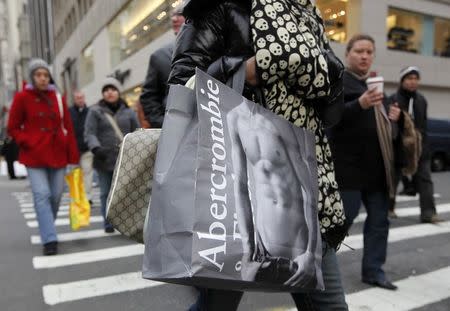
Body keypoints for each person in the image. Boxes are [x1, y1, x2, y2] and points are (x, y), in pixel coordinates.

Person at [169, 1, 348, 310]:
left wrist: (330, 78)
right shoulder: (221, 5)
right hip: (228, 194)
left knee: (331, 306)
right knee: (217, 306)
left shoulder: (308, 14)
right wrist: (242, 70)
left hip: (307, 189)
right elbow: (182, 88)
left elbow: (330, 115)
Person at [329, 34, 402, 290]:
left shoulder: (375, 85)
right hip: (347, 170)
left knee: (379, 224)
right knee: (340, 223)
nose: (364, 56)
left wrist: (393, 117)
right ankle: (319, 270)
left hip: (377, 170)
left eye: (369, 52)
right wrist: (359, 104)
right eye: (359, 51)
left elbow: (386, 129)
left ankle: (374, 271)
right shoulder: (338, 81)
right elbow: (330, 120)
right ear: (348, 53)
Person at [227, 99, 320, 287]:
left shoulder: (281, 117)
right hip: (263, 245)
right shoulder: (234, 117)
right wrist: (247, 250)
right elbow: (241, 187)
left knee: (325, 305)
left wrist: (311, 253)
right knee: (218, 303)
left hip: (298, 244)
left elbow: (309, 187)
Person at [7, 58, 79, 255]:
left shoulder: (57, 97)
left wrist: (74, 157)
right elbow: (12, 127)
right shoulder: (22, 97)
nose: (42, 78)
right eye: (38, 75)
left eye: (46, 75)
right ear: (32, 77)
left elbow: (68, 128)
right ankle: (49, 238)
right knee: (42, 194)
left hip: (58, 153)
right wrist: (27, 141)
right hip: (34, 155)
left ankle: (48, 226)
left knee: (56, 195)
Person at [84, 77, 139, 233]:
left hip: (126, 158)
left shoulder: (128, 111)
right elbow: (90, 133)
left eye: (113, 89)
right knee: (105, 192)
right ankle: (108, 221)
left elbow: (137, 131)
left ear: (118, 92)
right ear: (103, 94)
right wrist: (96, 148)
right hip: (103, 158)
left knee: (126, 192)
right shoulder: (95, 111)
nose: (110, 92)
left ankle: (125, 221)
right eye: (106, 90)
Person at [389, 67, 442, 223]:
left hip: (420, 148)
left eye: (415, 78)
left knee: (425, 179)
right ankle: (389, 207)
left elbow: (423, 126)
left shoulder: (421, 100)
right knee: (393, 179)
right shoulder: (394, 99)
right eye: (409, 78)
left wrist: (424, 146)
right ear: (402, 80)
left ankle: (428, 213)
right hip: (398, 147)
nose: (413, 81)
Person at [139, 6, 185, 128]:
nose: (174, 19)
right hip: (174, 130)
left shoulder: (216, 49)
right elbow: (148, 97)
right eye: (172, 16)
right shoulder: (159, 56)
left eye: (180, 14)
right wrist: (163, 124)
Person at [69, 90, 94, 203]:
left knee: (87, 173)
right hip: (73, 149)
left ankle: (87, 197)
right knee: (75, 173)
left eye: (81, 97)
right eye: (78, 98)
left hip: (87, 148)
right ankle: (76, 196)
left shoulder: (90, 112)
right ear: (74, 99)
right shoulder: (69, 112)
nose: (80, 100)